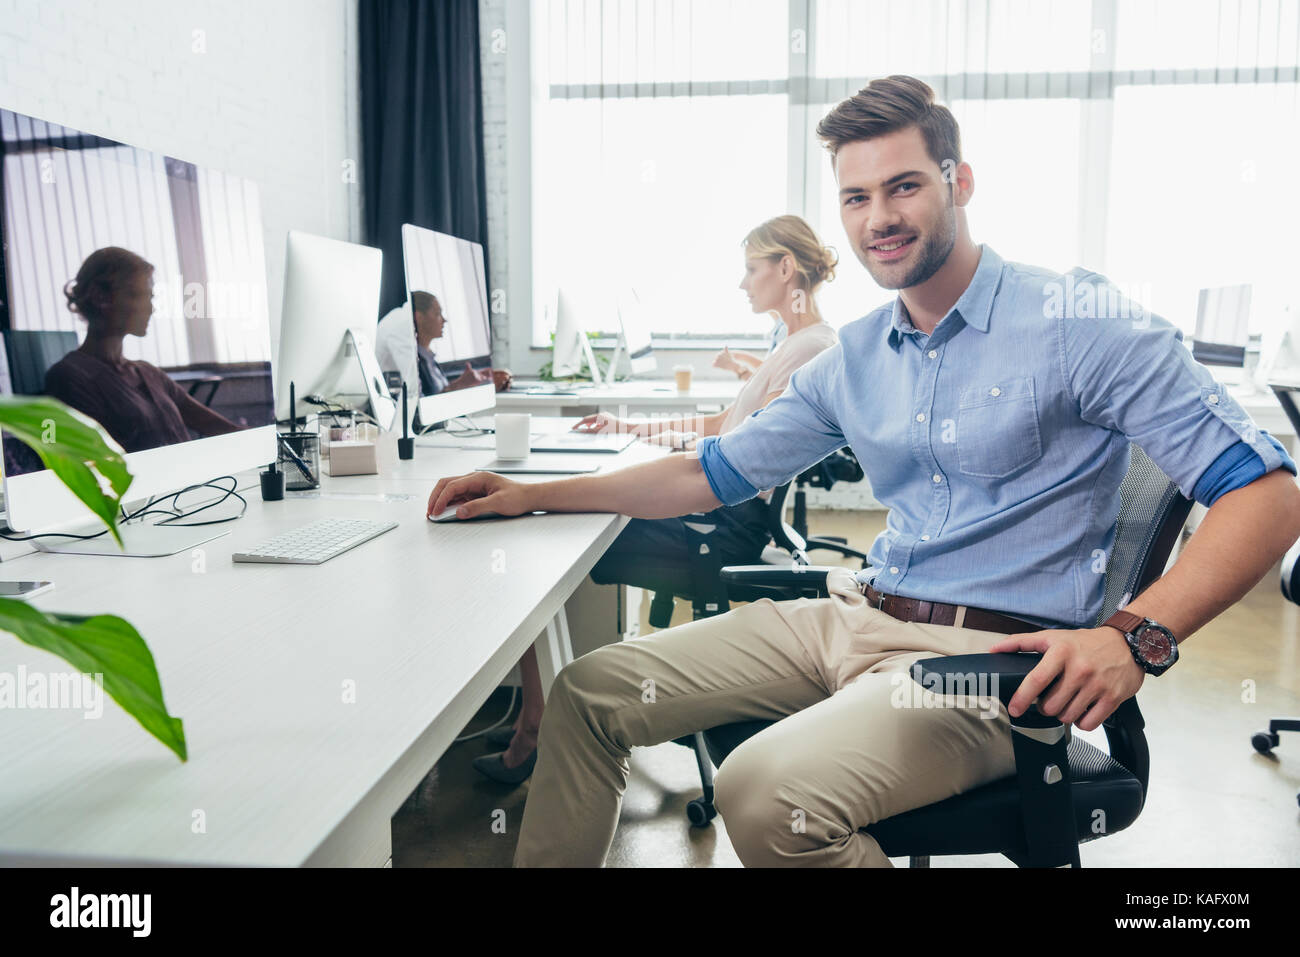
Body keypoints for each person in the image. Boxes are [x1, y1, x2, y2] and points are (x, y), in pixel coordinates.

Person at [428, 76, 1300, 867]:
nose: (879, 214)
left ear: (959, 182)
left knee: (762, 793)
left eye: (905, 186)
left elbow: (1269, 494)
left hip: (984, 664)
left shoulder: (1075, 318)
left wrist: (1135, 637)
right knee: (588, 693)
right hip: (854, 617)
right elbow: (712, 473)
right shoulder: (855, 357)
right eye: (857, 196)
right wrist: (532, 495)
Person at [471, 215, 840, 784]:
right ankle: (534, 711)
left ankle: (537, 724)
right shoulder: (792, 341)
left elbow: (718, 461)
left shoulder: (810, 348)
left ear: (785, 268)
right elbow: (723, 426)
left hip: (717, 531)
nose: (742, 284)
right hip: (718, 513)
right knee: (555, 517)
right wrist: (635, 429)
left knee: (536, 534)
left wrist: (536, 495)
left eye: (750, 269)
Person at [45, 247, 241, 454]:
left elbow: (219, 427)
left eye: (151, 297)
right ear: (100, 297)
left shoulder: (147, 372)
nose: (151, 308)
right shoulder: (69, 377)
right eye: (140, 295)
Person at [374, 291, 511, 409]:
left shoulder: (425, 354)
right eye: (437, 313)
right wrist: (462, 385)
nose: (444, 320)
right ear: (419, 317)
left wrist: (472, 382)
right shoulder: (402, 329)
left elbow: (438, 393)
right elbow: (418, 402)